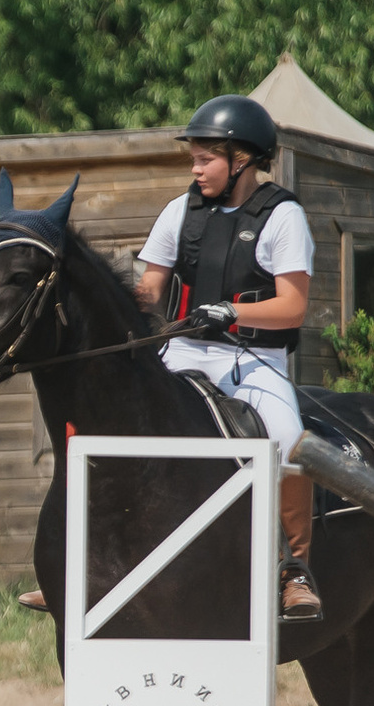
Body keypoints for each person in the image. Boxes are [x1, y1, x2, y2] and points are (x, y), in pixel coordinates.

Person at [132, 94, 324, 621]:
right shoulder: (180, 211)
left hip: (252, 358)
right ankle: (85, 559)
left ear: (241, 160)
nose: (195, 170)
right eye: (193, 159)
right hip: (181, 349)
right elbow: (150, 291)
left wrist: (233, 311)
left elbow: (293, 307)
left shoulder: (283, 216)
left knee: (286, 439)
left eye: (205, 159)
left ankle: (294, 571)